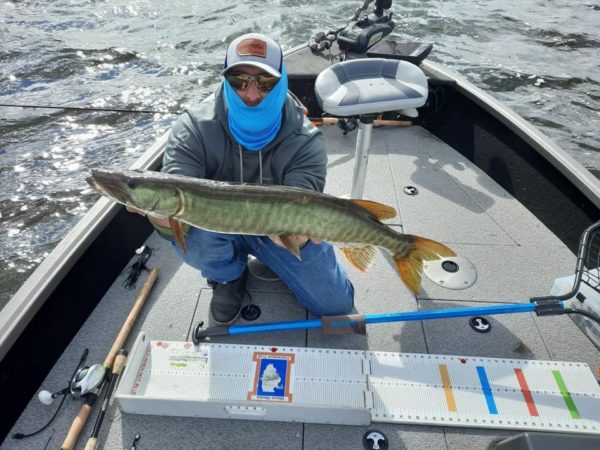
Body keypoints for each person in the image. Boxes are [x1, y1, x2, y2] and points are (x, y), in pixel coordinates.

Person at [131, 33, 354, 324]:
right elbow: (176, 191)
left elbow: (302, 200)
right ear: (225, 78)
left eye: (265, 81)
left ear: (281, 80)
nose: (251, 93)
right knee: (193, 233)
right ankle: (229, 277)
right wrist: (159, 216)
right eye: (239, 80)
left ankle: (283, 259)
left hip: (278, 233)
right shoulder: (192, 128)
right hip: (217, 230)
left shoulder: (305, 140)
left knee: (336, 304)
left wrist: (297, 237)